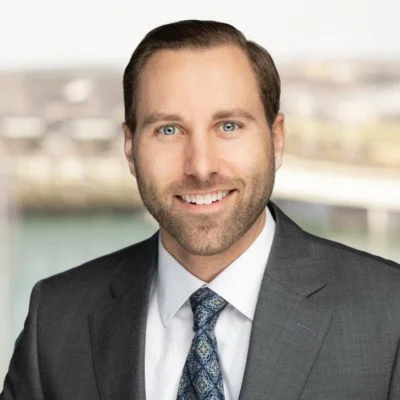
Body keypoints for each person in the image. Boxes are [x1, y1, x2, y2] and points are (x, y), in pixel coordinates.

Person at [1, 19, 400, 400]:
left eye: (228, 126)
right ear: (130, 148)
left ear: (276, 139)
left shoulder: (389, 312)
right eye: (168, 130)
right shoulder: (56, 318)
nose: (201, 167)